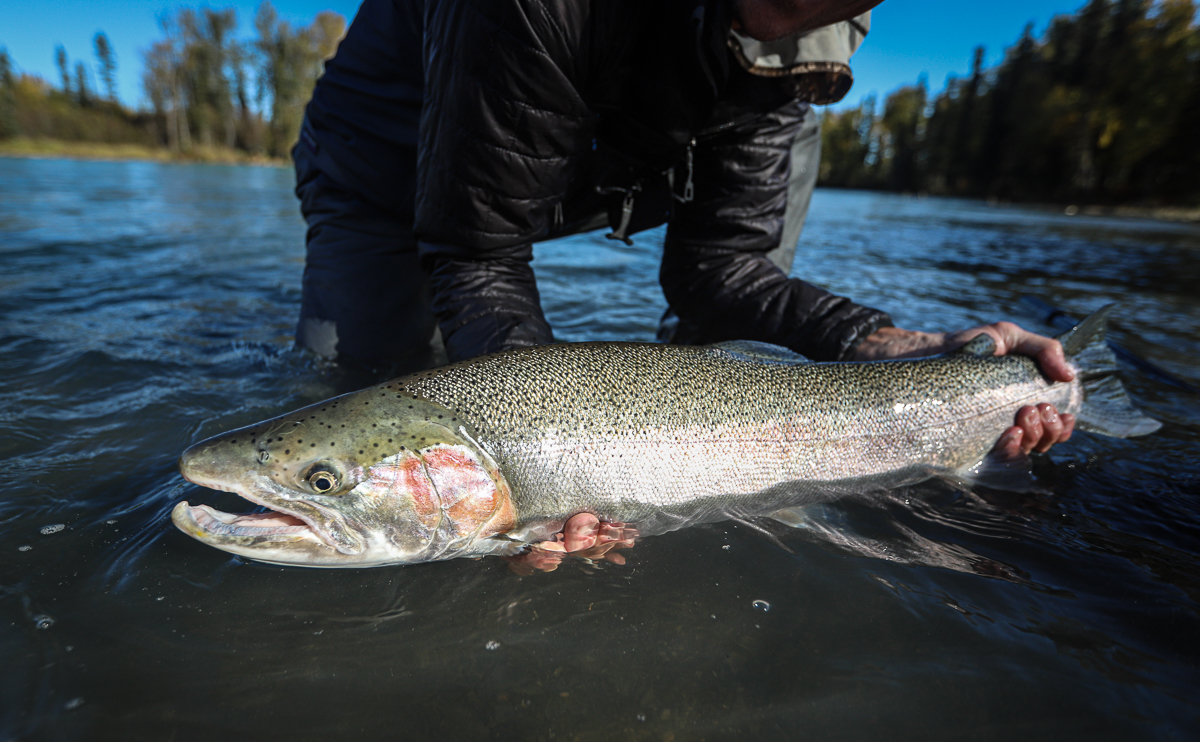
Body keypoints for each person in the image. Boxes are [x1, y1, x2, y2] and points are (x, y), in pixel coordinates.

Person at [294, 0, 1074, 561]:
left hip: (613, 147)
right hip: (388, 164)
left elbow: (724, 271)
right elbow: (478, 252)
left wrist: (932, 350)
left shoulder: (807, 50)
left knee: (737, 350)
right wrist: (536, 457)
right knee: (363, 374)